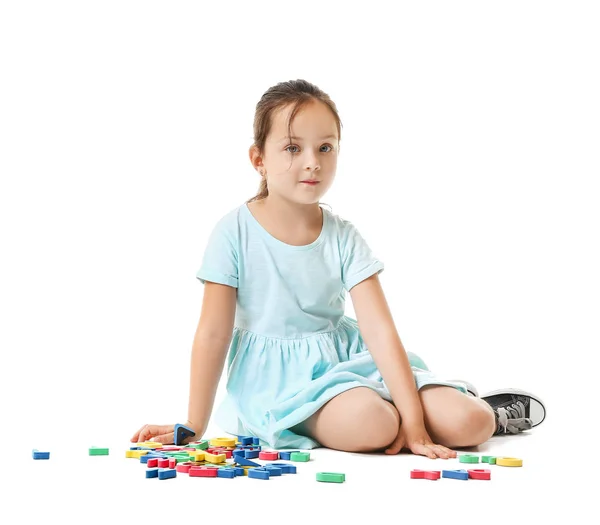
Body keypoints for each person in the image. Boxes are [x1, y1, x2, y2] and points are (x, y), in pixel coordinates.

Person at [131, 79, 546, 459]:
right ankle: (395, 408)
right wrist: (194, 423)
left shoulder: (343, 236)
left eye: (325, 148)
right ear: (259, 159)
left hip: (346, 360)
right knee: (375, 424)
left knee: (470, 423)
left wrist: (417, 427)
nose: (312, 162)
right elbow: (213, 333)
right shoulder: (233, 232)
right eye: (293, 148)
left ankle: (466, 404)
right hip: (278, 384)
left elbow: (380, 332)